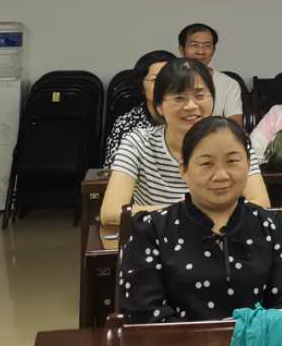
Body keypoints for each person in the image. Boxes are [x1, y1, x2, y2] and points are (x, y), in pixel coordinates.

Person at [117, 116, 282, 323]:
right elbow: (144, 317)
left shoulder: (273, 227)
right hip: (174, 344)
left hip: (258, 342)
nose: (221, 175)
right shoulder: (151, 231)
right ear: (183, 169)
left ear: (248, 164)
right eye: (206, 164)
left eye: (232, 161)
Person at [101, 58, 270, 237]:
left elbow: (261, 204)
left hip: (223, 238)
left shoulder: (235, 141)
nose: (191, 106)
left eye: (200, 96)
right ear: (159, 106)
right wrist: (189, 214)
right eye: (179, 98)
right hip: (158, 240)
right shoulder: (137, 143)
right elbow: (111, 212)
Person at [104, 49, 175, 169]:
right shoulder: (126, 124)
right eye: (155, 80)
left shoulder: (190, 119)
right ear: (141, 86)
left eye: (170, 79)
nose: (164, 86)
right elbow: (113, 171)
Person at [178, 23, 244, 126]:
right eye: (194, 45)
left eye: (207, 46)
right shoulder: (168, 80)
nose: (201, 51)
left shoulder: (229, 84)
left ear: (213, 51)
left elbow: (235, 126)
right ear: (181, 49)